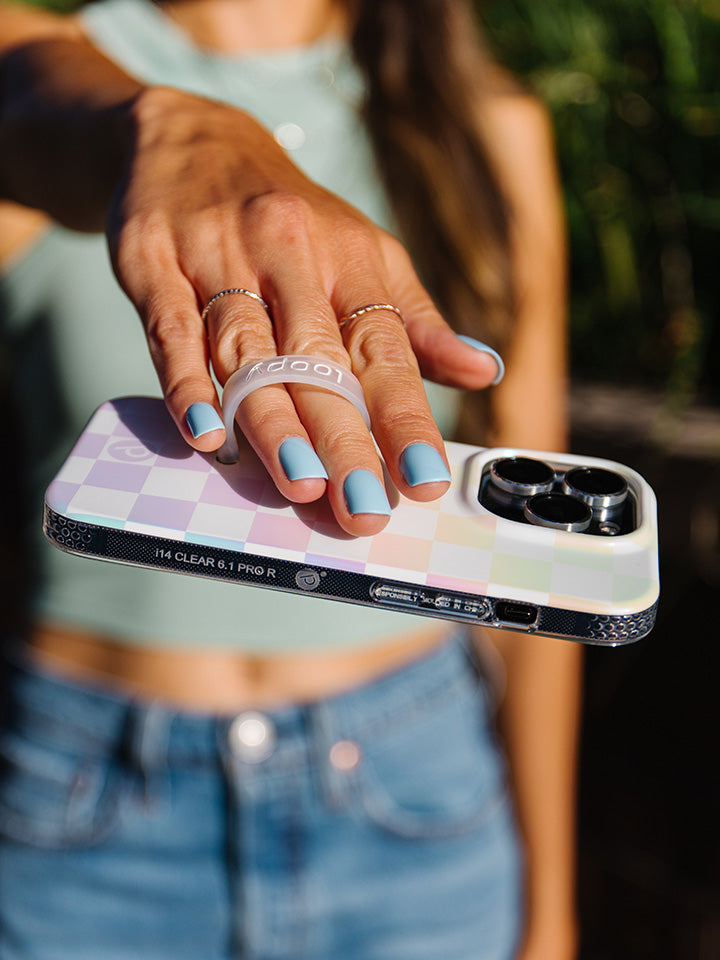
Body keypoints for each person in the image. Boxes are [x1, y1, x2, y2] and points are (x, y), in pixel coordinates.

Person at [0, 1, 580, 957]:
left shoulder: (481, 125)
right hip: (85, 799)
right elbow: (23, 89)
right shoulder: (70, 73)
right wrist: (163, 128)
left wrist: (550, 907)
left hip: (417, 794)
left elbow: (533, 579)